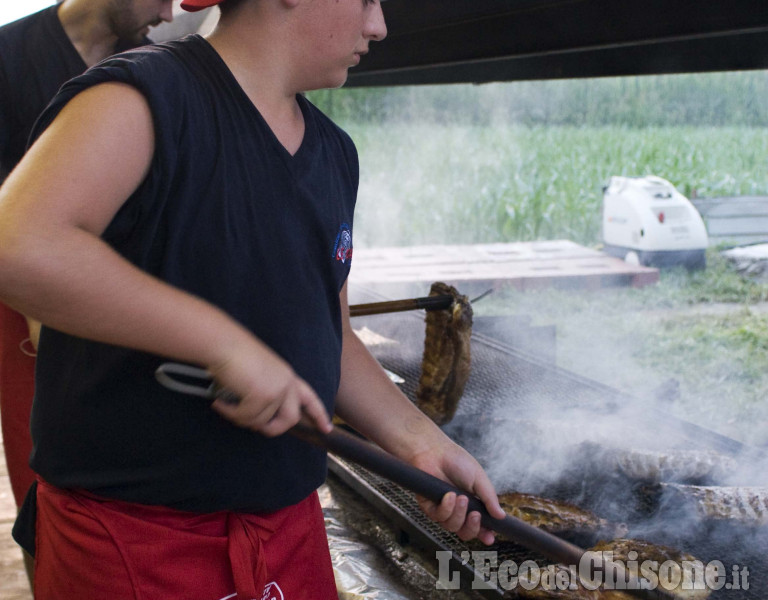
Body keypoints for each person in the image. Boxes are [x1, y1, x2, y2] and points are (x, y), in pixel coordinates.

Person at [0, 0, 506, 597]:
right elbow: (18, 244)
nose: (380, 26)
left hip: (289, 533)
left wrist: (419, 442)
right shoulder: (143, 97)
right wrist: (221, 342)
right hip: (137, 542)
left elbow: (330, 335)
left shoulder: (334, 153)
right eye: (368, 0)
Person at [0, 0, 174, 506]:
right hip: (22, 311)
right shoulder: (9, 56)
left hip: (122, 308)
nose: (168, 15)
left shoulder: (149, 65)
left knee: (118, 485)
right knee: (41, 485)